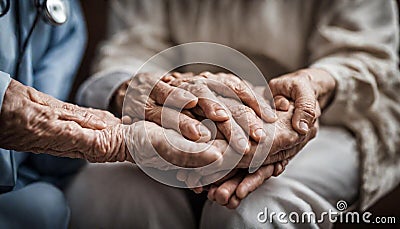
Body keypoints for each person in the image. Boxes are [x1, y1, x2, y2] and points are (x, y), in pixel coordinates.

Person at [67, 0, 400, 228]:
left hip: (334, 113)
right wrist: (163, 98)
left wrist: (305, 97)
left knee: (255, 209)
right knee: (110, 190)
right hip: (190, 106)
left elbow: (363, 56)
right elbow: (130, 47)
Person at [0, 0, 242, 228]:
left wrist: (267, 131)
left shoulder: (62, 13)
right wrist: (118, 138)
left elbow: (43, 159)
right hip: (29, 195)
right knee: (109, 190)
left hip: (35, 190)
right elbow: (130, 45)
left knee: (249, 209)